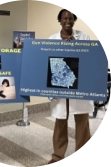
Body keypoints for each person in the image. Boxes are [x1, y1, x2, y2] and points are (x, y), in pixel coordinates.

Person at [47, 9, 94, 166]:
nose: (68, 20)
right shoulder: (52, 39)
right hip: (60, 87)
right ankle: (58, 156)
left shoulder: (84, 37)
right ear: (59, 20)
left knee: (82, 123)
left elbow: (91, 59)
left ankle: (80, 154)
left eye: (71, 18)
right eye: (64, 18)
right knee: (60, 123)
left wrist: (75, 45)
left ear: (74, 20)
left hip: (80, 87)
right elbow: (47, 64)